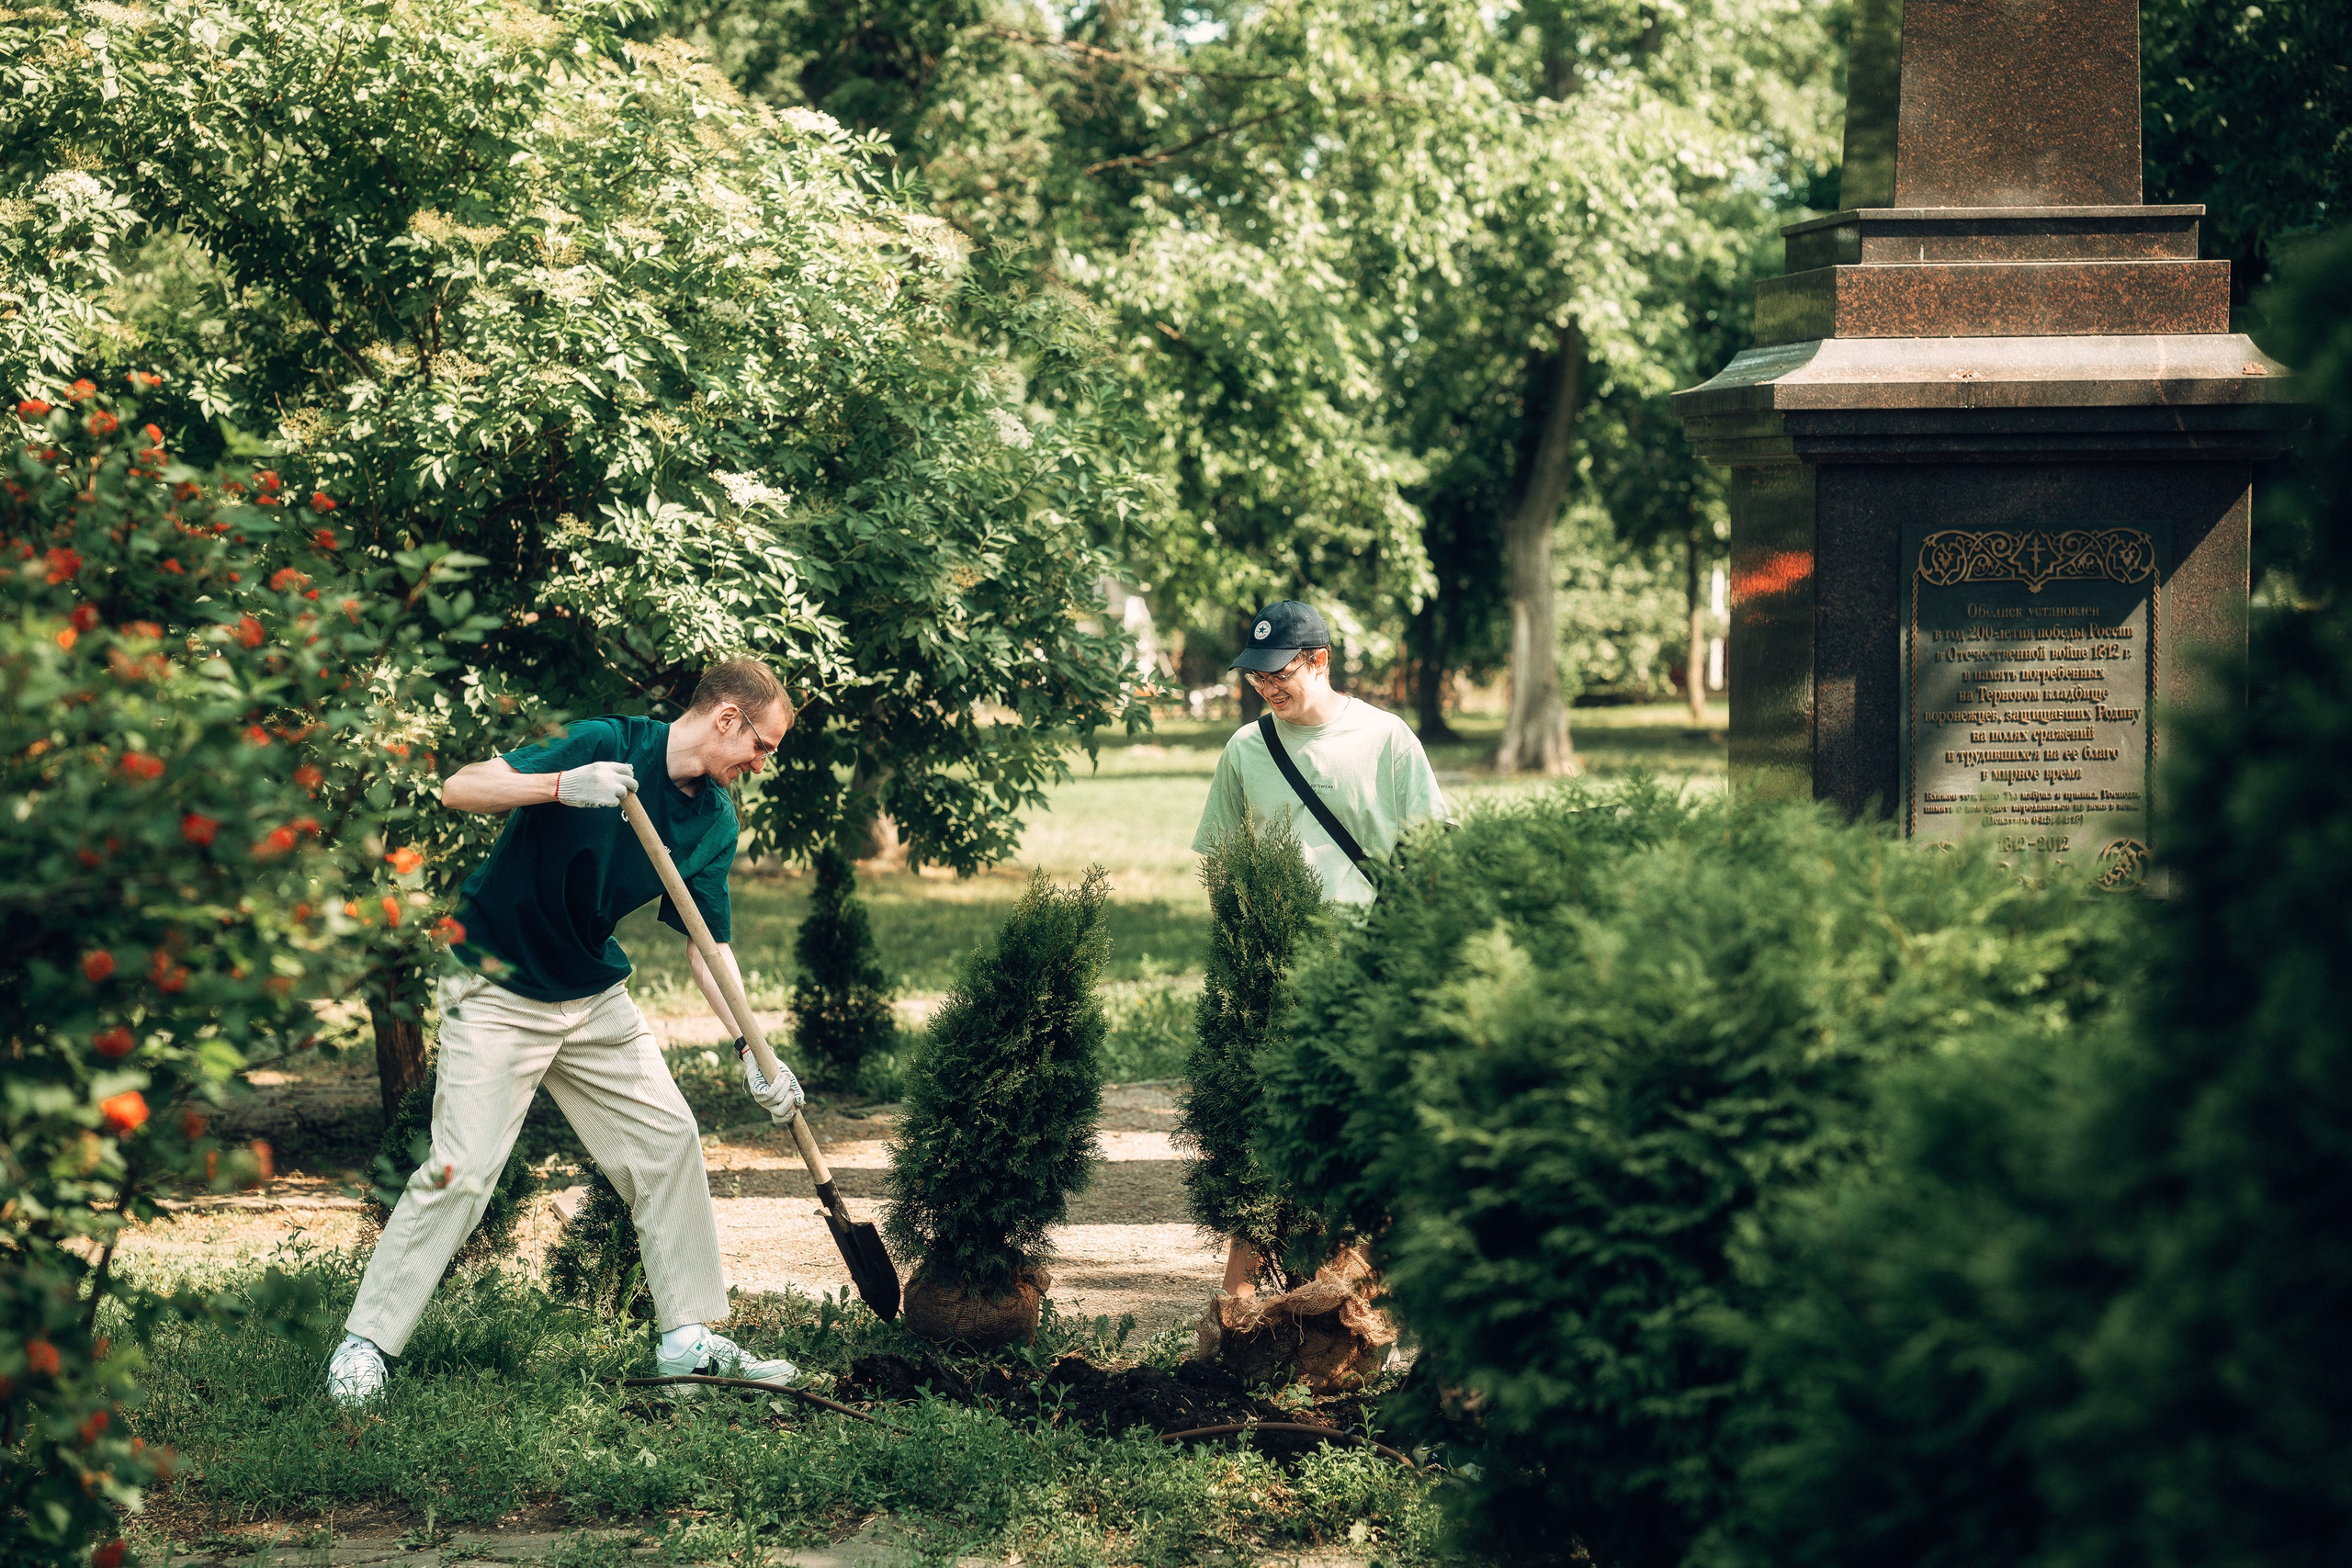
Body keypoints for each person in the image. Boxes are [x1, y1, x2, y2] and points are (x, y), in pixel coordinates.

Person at [326, 659, 808, 1406]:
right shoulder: (603, 743)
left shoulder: (714, 820)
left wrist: (755, 1049)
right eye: (761, 745)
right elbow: (461, 786)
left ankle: (685, 1342)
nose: (760, 763)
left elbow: (708, 945)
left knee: (669, 1141)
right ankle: (365, 1344)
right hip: (497, 983)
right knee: (464, 1169)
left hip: (590, 993)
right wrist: (560, 784)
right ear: (726, 718)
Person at [1189, 600, 1448, 1295]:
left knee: (1360, 1134)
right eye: (1257, 675)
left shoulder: (1387, 739)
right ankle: (1239, 1302)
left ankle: (1358, 1294)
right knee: (1264, 1135)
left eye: (1280, 673)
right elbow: (1223, 865)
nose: (1267, 686)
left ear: (1320, 661)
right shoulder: (1245, 750)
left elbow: (1431, 855)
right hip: (1276, 971)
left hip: (1366, 969)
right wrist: (1239, 957)